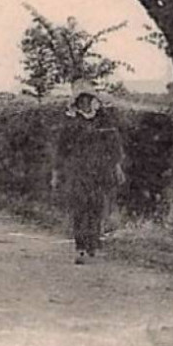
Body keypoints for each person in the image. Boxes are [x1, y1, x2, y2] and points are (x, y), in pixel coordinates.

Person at [51, 80, 126, 265]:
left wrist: (117, 166)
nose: (85, 103)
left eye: (88, 99)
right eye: (81, 100)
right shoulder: (71, 123)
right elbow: (61, 149)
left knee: (96, 206)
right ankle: (80, 247)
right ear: (77, 103)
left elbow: (114, 145)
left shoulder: (104, 121)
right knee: (79, 207)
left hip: (100, 171)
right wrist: (56, 172)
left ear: (93, 101)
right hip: (78, 171)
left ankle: (93, 243)